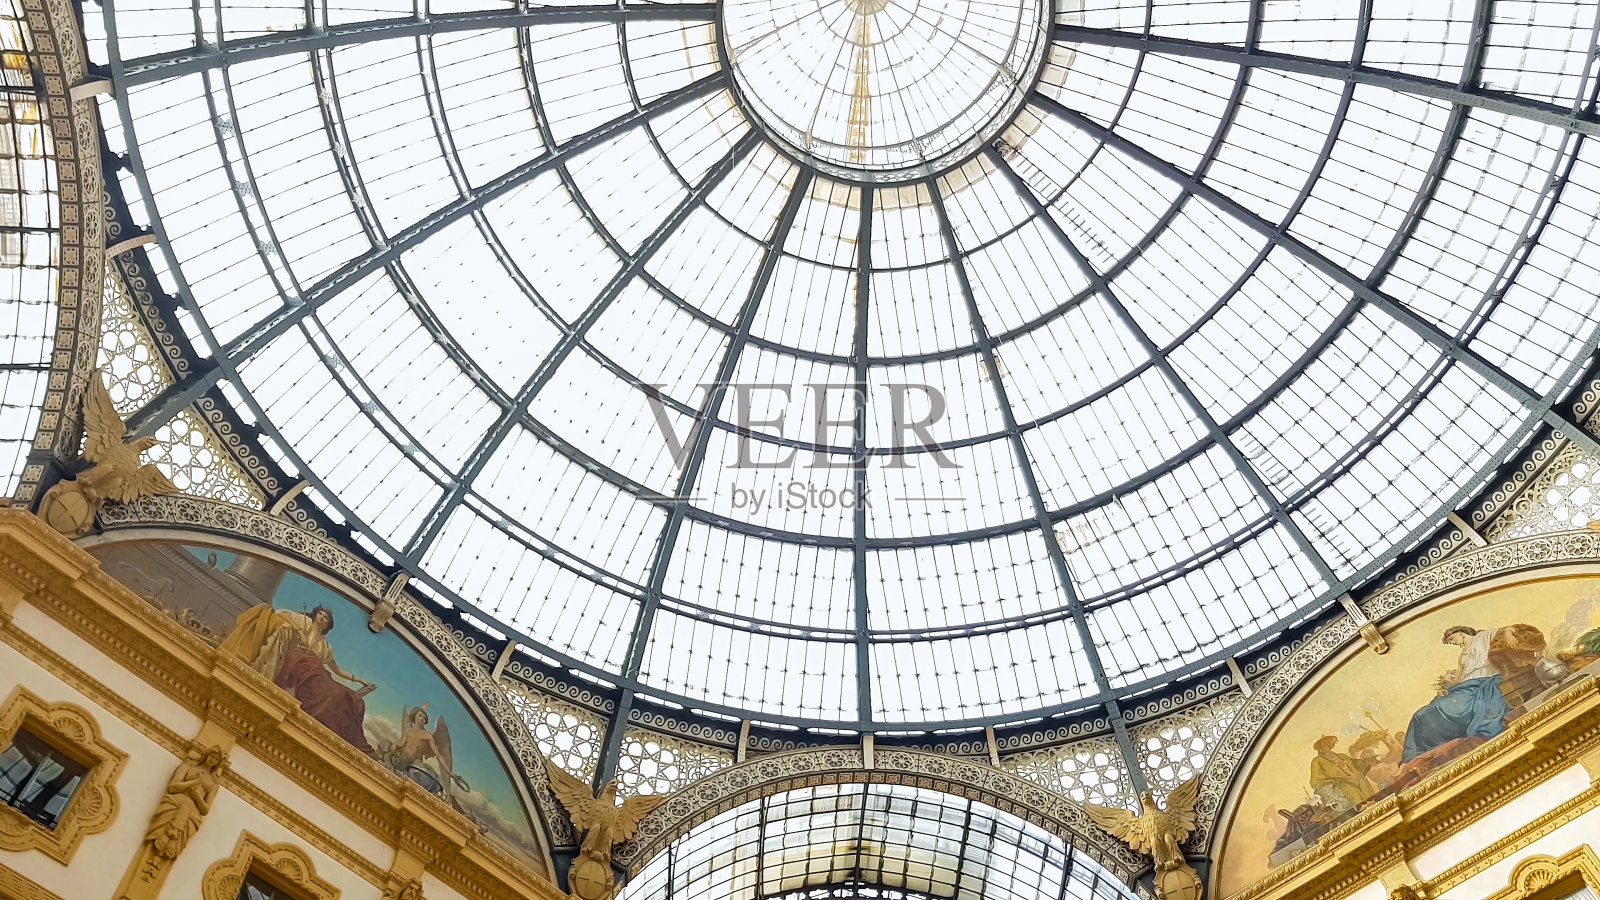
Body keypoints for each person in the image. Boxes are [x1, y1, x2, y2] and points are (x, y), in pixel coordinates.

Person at [221, 604, 376, 754]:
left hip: (316, 672)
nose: (321, 617)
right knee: (330, 690)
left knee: (347, 696)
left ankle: (345, 731)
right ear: (315, 614)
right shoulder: (303, 622)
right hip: (296, 665)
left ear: (328, 624)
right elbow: (282, 614)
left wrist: (359, 680)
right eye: (320, 613)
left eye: (325, 616)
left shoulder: (325, 647)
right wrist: (289, 629)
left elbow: (337, 670)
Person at [1401, 626, 1512, 762]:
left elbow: (1507, 629)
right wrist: (1446, 686)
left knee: (1440, 707)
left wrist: (1508, 633)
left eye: (1452, 639)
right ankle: (1418, 754)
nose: (1452, 643)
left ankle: (1439, 740)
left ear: (1460, 633)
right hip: (1464, 686)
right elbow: (1459, 679)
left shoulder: (1483, 637)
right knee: (1420, 713)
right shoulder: (1463, 654)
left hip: (1483, 681)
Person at [1308, 735, 1380, 809]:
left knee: (1364, 783)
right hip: (1341, 785)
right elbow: (1315, 781)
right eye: (1328, 742)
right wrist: (1330, 782)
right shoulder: (1317, 761)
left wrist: (1368, 761)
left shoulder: (1341, 755)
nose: (1331, 744)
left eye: (1332, 743)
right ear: (1321, 745)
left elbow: (1357, 763)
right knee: (1352, 791)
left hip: (1358, 779)